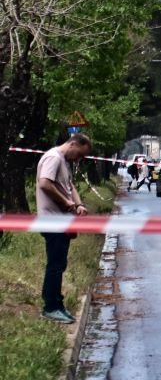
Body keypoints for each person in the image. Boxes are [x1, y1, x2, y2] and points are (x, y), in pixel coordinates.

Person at [35, 133, 92, 323]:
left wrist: (78, 204)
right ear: (73, 144)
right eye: (79, 154)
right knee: (55, 265)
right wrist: (67, 203)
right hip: (52, 221)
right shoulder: (53, 157)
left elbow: (69, 186)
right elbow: (44, 183)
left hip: (61, 221)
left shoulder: (63, 161)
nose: (78, 159)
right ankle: (50, 307)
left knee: (59, 264)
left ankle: (57, 304)